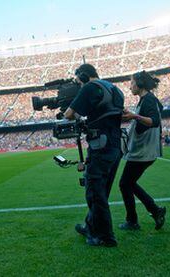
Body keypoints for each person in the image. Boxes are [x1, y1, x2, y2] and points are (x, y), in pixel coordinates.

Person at [64, 63, 124, 247]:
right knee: (101, 191)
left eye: (77, 81)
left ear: (83, 76)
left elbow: (68, 114)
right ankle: (90, 226)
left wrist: (70, 106)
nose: (78, 85)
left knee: (95, 193)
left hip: (100, 146)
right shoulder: (115, 89)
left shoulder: (90, 87)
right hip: (116, 145)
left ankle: (105, 236)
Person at [119, 70, 166, 231]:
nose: (130, 86)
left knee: (125, 184)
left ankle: (134, 220)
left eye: (132, 83)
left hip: (144, 152)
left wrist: (134, 117)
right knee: (127, 183)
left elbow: (154, 121)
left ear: (139, 84)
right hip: (145, 151)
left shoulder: (148, 100)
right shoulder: (146, 100)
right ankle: (154, 211)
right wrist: (132, 116)